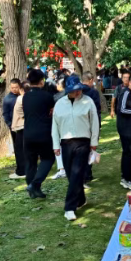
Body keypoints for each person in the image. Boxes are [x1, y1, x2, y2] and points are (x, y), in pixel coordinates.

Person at [52, 75, 100, 221]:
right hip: (65, 143)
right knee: (71, 175)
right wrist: (55, 145)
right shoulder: (59, 104)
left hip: (83, 142)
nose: (78, 92)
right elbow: (55, 126)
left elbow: (95, 122)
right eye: (74, 90)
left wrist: (94, 141)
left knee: (76, 173)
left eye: (79, 89)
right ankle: (81, 199)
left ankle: (69, 207)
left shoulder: (88, 101)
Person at [21, 69, 56, 198]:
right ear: (42, 81)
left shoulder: (25, 96)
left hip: (28, 133)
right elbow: (52, 112)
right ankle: (34, 185)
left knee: (31, 162)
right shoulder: (47, 96)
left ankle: (33, 190)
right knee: (48, 159)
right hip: (44, 133)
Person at [3, 79, 25, 180]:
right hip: (15, 127)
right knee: (18, 149)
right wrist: (10, 125)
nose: (14, 89)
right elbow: (5, 114)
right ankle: (20, 167)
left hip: (25, 126)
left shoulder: (23, 96)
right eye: (12, 88)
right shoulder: (7, 99)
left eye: (16, 87)